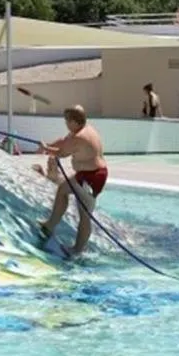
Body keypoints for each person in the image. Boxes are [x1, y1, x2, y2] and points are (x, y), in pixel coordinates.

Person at [35, 105, 108, 257]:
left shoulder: (80, 137)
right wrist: (48, 146)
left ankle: (77, 250)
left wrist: (46, 148)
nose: (66, 124)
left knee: (84, 214)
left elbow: (61, 153)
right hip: (87, 174)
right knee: (62, 190)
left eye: (67, 121)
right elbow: (63, 141)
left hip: (92, 178)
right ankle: (50, 225)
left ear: (75, 122)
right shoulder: (84, 129)